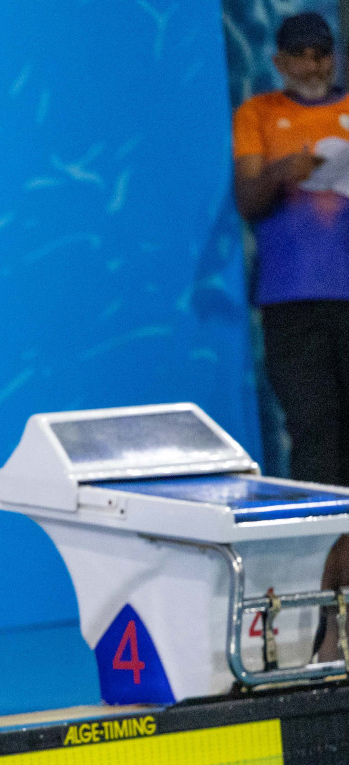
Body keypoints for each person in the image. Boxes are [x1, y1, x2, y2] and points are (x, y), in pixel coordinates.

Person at [233, 12, 349, 485]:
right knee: (315, 430)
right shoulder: (256, 114)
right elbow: (248, 201)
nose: (311, 64)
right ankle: (323, 555)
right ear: (279, 61)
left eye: (320, 53)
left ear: (333, 57)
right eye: (298, 55)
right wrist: (281, 173)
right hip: (292, 301)